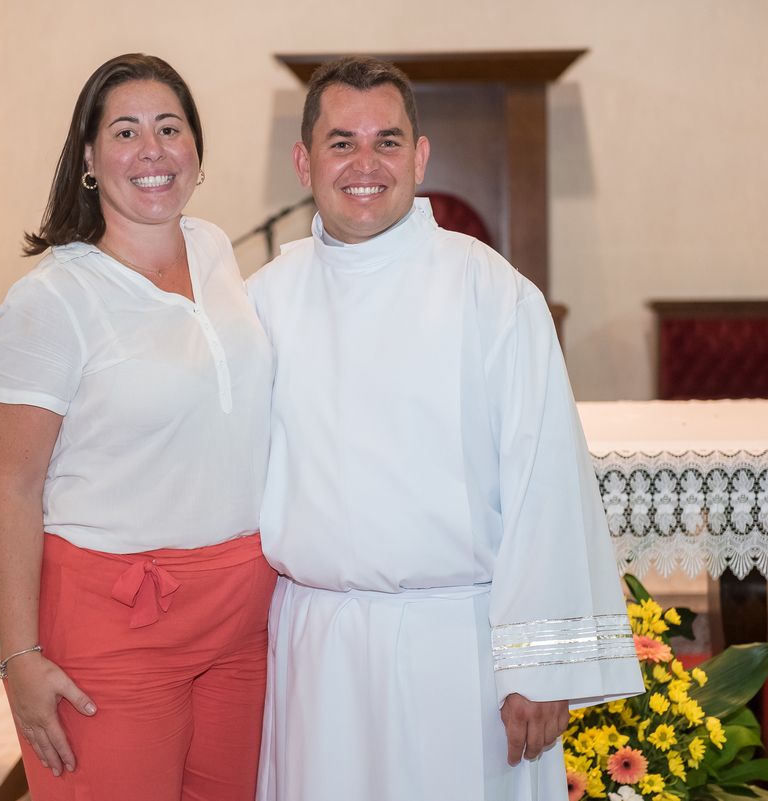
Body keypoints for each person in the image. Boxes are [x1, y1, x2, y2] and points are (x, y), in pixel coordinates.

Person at [248, 56, 645, 801]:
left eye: (388, 141)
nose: (365, 163)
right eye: (341, 142)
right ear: (304, 161)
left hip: (460, 654)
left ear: (420, 157)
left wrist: (541, 667)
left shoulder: (490, 291)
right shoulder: (263, 303)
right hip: (316, 648)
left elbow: (547, 480)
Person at [0, 54, 275, 801]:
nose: (153, 150)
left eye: (170, 128)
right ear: (88, 156)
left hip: (244, 614)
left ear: (196, 151)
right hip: (118, 622)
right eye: (126, 131)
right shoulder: (51, 300)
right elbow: (13, 488)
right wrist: (19, 655)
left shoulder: (212, 248)